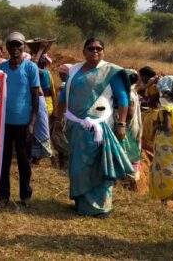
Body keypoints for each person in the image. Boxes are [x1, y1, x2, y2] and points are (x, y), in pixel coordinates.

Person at [53, 38, 133, 218]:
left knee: (99, 165)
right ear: (84, 51)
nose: (95, 51)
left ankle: (101, 208)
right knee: (78, 166)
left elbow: (123, 100)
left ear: (103, 51)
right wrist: (58, 121)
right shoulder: (74, 70)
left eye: (99, 48)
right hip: (76, 126)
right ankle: (81, 202)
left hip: (101, 127)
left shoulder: (110, 71)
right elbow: (63, 98)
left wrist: (121, 124)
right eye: (91, 48)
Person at [0, 32, 40, 208]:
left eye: (18, 45)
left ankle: (25, 195)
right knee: (4, 161)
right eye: (11, 45)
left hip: (23, 123)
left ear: (24, 47)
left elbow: (35, 95)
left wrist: (32, 122)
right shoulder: (2, 69)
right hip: (4, 123)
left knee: (24, 161)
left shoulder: (31, 68)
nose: (15, 49)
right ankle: (4, 195)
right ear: (7, 48)